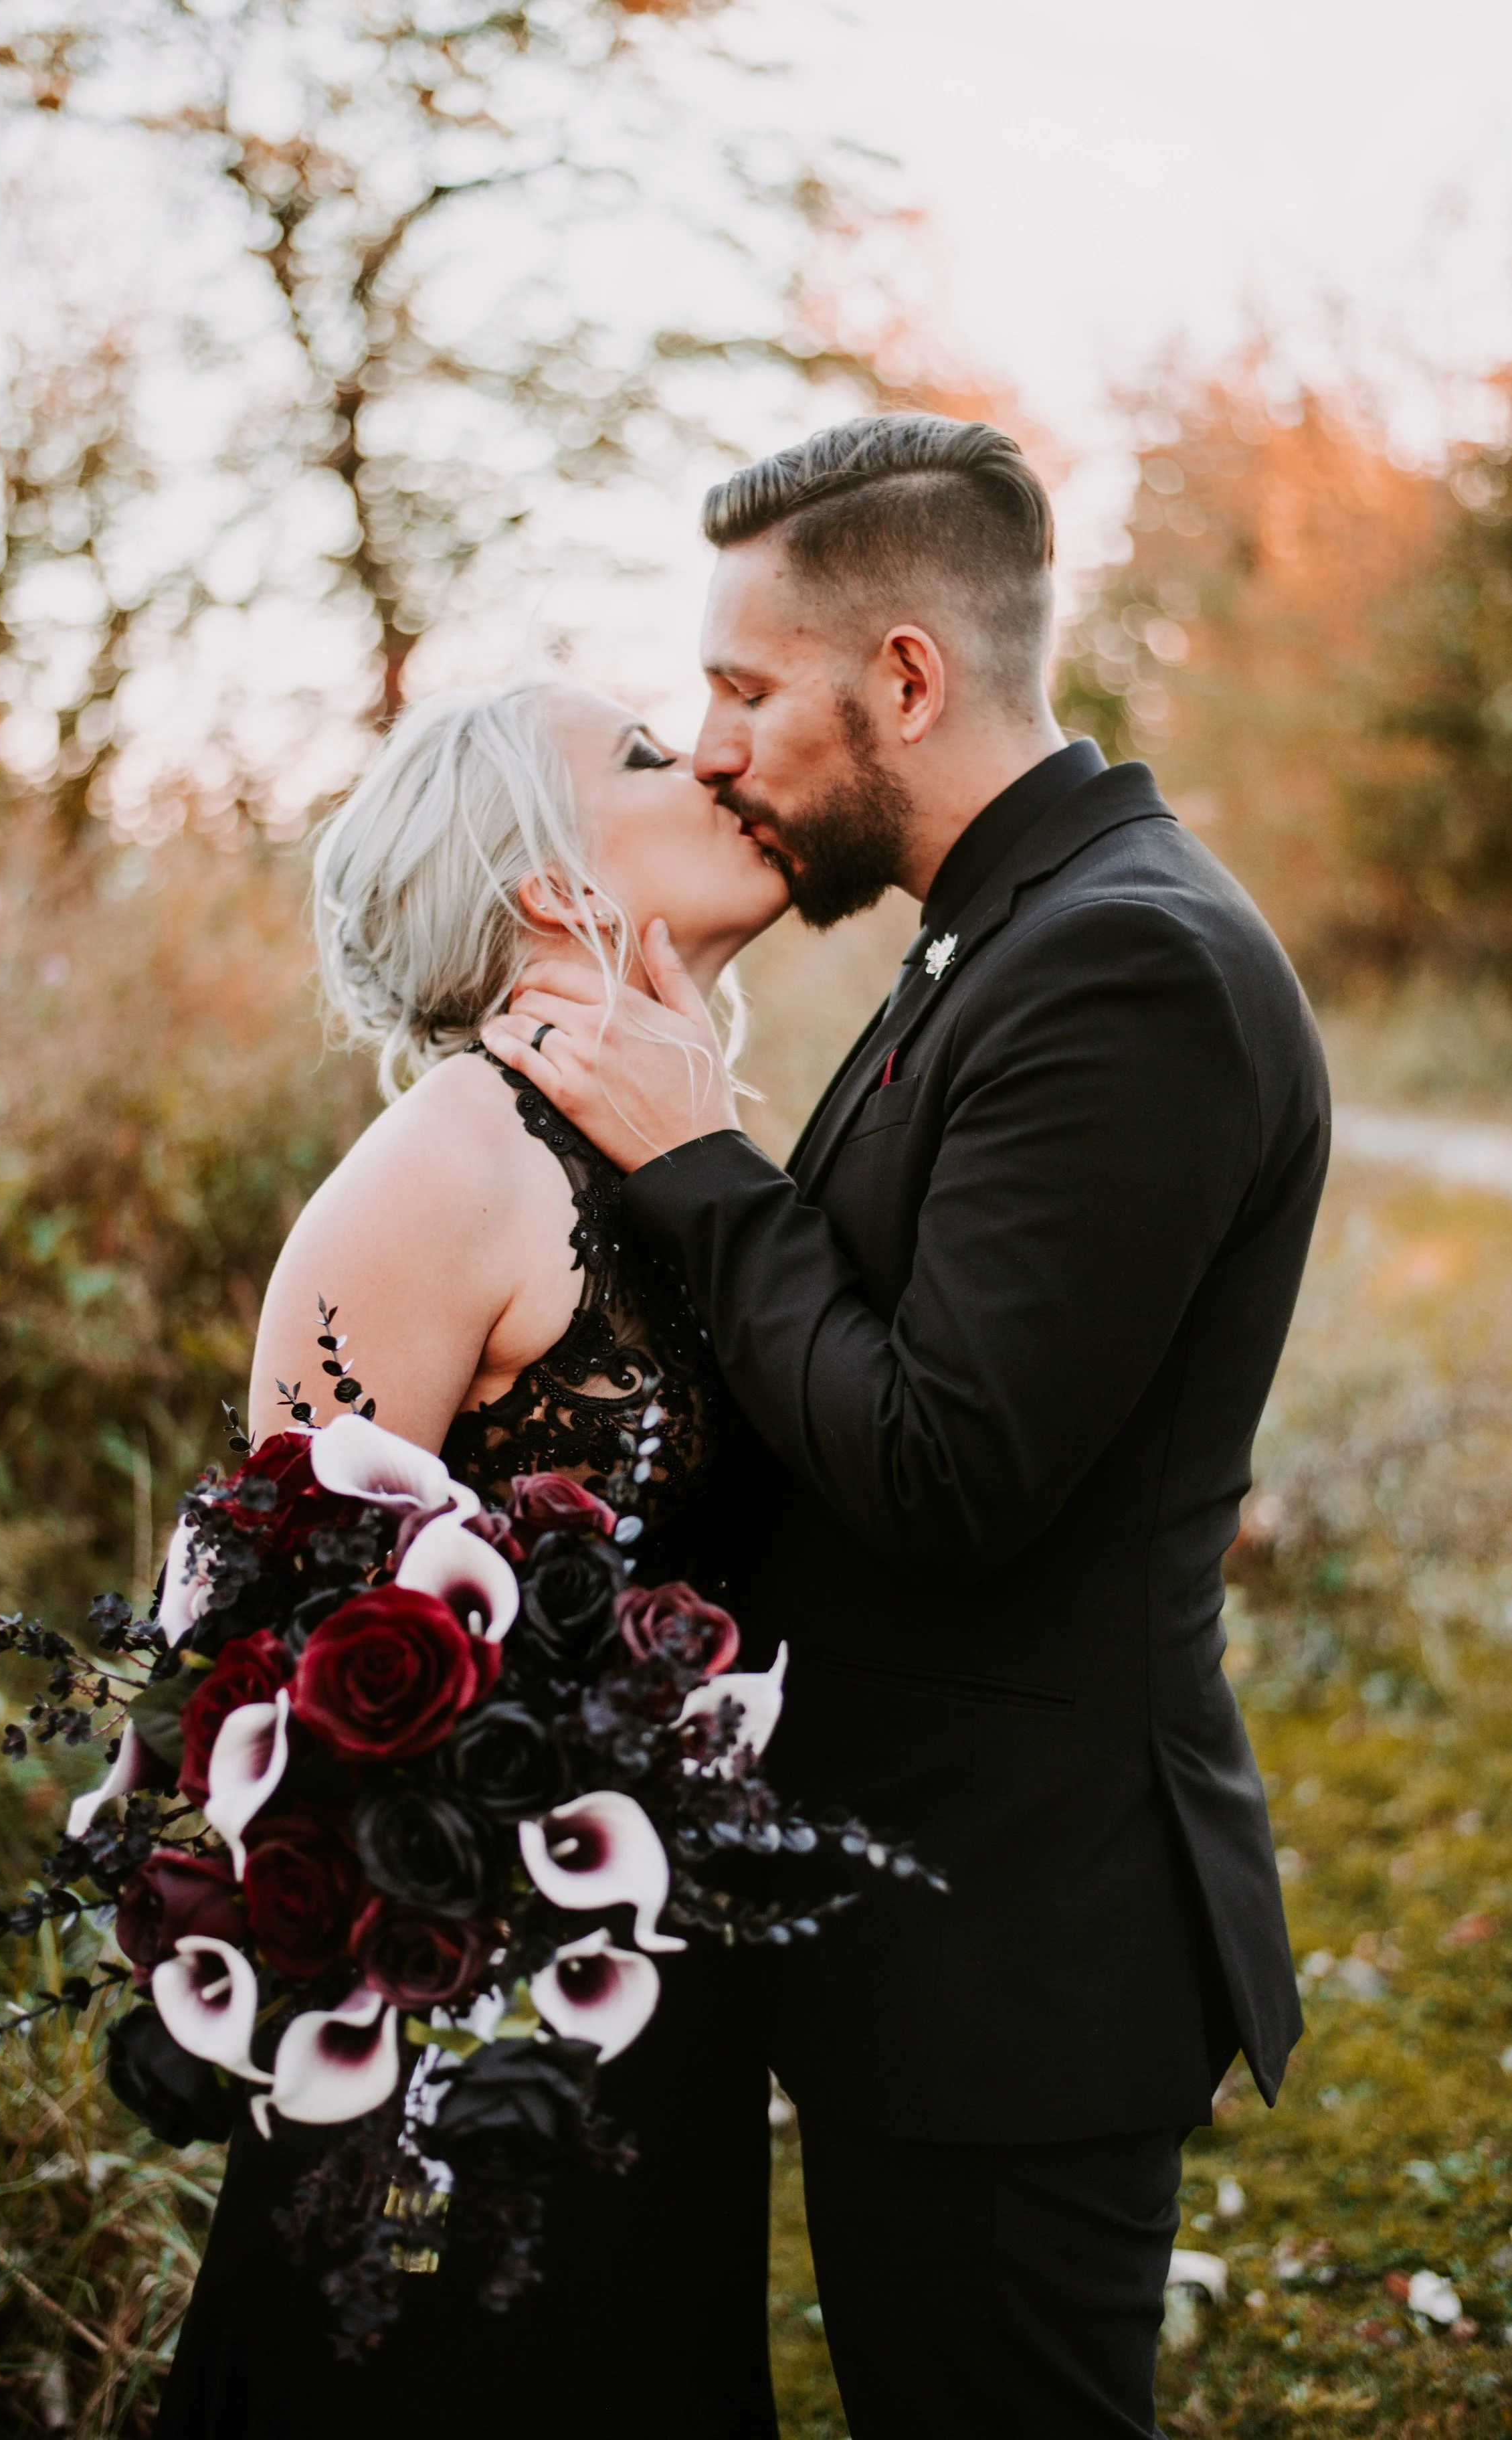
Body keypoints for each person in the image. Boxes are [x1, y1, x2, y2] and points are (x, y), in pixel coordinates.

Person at [482, 412, 1330, 2437]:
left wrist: (699, 1154)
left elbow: (947, 1462)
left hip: (1024, 1956)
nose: (707, 744)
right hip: (924, 1927)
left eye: (746, 687)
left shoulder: (1127, 965)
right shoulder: (999, 933)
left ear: (910, 679)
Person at [156, 682, 788, 2439]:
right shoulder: (450, 1160)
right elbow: (270, 1672)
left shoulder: (675, 1150)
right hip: (467, 2034)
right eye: (652, 759)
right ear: (544, 883)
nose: (717, 764)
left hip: (665, 1977)